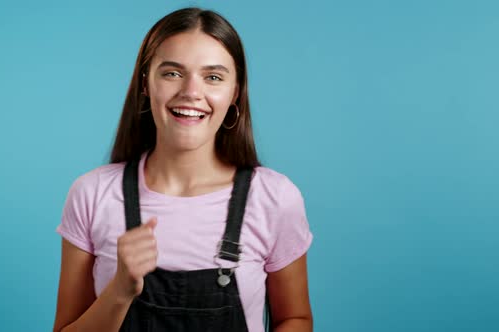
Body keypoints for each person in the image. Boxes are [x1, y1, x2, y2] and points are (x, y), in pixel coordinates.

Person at [53, 7, 313, 332]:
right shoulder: (92, 194)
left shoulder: (275, 197)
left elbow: (296, 319)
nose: (191, 92)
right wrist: (119, 291)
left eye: (213, 77)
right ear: (145, 82)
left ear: (235, 93)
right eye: (172, 73)